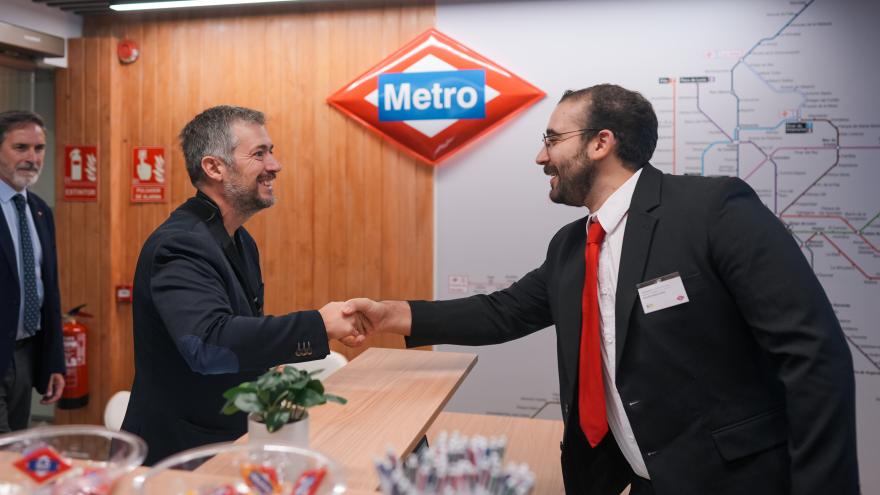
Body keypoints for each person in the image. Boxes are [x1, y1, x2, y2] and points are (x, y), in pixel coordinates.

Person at [344, 85, 859, 494]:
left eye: (551, 139)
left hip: (736, 481)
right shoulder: (572, 246)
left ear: (600, 142)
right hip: (640, 480)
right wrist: (391, 315)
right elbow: (502, 313)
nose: (540, 158)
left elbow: (813, 355)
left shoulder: (712, 210)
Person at [122, 105, 365, 464]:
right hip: (179, 452)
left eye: (272, 151)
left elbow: (239, 334)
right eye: (259, 154)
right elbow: (209, 343)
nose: (275, 165)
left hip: (226, 440)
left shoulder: (238, 239)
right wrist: (319, 325)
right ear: (214, 167)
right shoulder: (180, 243)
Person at [0, 110, 65, 433]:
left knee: (14, 448)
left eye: (38, 149)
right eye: (21, 147)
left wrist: (54, 361)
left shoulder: (40, 210)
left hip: (26, 352)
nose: (32, 157)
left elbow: (48, 291)